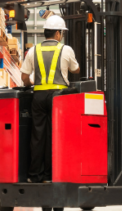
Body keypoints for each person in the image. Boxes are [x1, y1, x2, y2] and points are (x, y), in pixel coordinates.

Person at [20, 15, 80, 183]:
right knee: (56, 135)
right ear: (58, 34)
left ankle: (35, 175)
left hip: (38, 97)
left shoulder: (33, 51)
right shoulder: (66, 50)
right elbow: (76, 69)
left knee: (37, 136)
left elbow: (24, 77)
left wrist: (31, 83)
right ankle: (51, 175)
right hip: (59, 99)